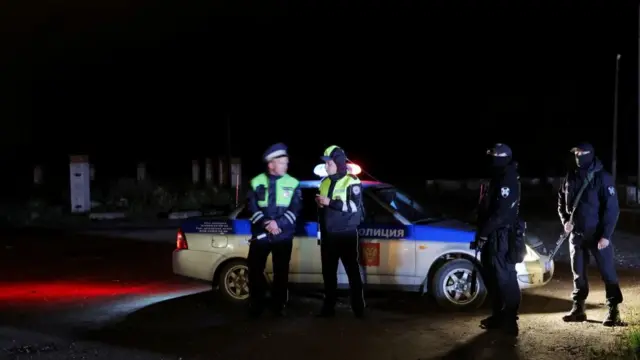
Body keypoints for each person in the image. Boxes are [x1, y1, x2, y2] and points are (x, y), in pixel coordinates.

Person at [558, 142, 622, 326]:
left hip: (598, 235)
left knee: (607, 272)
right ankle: (578, 309)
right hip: (576, 235)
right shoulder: (570, 176)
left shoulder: (603, 177)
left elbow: (612, 209)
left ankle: (614, 310)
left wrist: (606, 235)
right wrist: (565, 221)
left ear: (589, 154)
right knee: (578, 273)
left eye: (581, 153)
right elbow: (561, 202)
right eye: (575, 153)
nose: (578, 156)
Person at [246, 143, 302, 318]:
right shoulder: (256, 182)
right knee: (254, 270)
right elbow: (251, 207)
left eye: (286, 162)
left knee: (281, 273)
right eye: (282, 162)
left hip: (282, 236)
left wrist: (278, 224)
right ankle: (257, 304)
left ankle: (278, 307)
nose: (286, 165)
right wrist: (265, 223)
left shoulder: (293, 183)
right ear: (271, 164)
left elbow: (295, 209)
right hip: (261, 235)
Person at [475, 143, 521, 336]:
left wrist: (484, 233)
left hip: (502, 236)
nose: (491, 159)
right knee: (493, 277)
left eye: (494, 156)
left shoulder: (507, 179)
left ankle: (510, 321)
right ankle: (498, 315)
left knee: (505, 278)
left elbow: (501, 214)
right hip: (494, 235)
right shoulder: (497, 177)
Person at [315, 145, 366, 318]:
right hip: (328, 235)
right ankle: (328, 309)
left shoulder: (352, 181)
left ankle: (359, 309)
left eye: (329, 163)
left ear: (338, 163)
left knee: (353, 273)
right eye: (326, 163)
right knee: (328, 275)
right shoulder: (324, 182)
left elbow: (354, 206)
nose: (326, 166)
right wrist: (321, 204)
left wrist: (330, 202)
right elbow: (322, 209)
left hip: (346, 235)